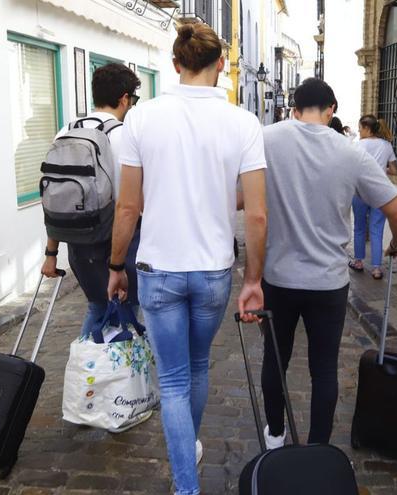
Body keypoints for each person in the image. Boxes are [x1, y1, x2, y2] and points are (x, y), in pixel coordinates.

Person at [107, 22, 268, 495]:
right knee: (197, 369)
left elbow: (128, 207)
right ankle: (188, 448)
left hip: (158, 271)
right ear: (221, 65)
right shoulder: (243, 123)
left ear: (176, 65)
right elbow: (256, 215)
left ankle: (186, 485)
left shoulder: (142, 118)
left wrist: (116, 266)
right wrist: (253, 279)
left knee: (173, 380)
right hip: (213, 271)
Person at [260, 78, 397, 448]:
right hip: (327, 283)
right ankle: (318, 447)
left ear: (294, 109)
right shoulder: (351, 153)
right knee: (323, 368)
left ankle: (276, 435)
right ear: (331, 110)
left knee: (275, 360)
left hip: (278, 277)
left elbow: (240, 196)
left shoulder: (267, 139)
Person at [41, 63, 143, 341]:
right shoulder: (124, 136)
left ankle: (88, 374)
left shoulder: (65, 131)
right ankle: (114, 379)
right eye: (132, 99)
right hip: (117, 245)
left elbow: (56, 198)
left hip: (78, 244)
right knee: (127, 309)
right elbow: (131, 205)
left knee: (97, 306)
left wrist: (51, 254)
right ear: (125, 98)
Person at [350, 114, 397, 279]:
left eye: (360, 128)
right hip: (380, 193)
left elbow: (352, 167)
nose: (359, 131)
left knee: (359, 227)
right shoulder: (387, 146)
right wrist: (380, 170)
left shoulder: (358, 146)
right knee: (377, 230)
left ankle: (358, 261)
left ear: (367, 128)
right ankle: (377, 268)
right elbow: (394, 170)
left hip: (361, 191)